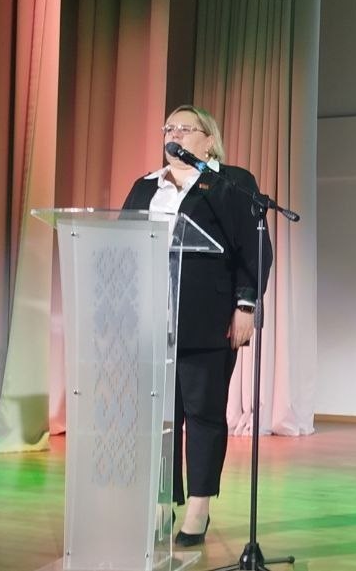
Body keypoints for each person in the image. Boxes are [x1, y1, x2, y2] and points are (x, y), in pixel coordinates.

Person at [122, 104, 273, 546]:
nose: (174, 135)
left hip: (207, 319)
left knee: (203, 414)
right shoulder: (145, 187)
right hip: (152, 320)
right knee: (158, 415)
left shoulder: (230, 184)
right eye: (169, 128)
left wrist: (246, 305)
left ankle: (199, 506)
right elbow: (123, 244)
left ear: (209, 140)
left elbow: (253, 250)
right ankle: (160, 501)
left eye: (185, 129)